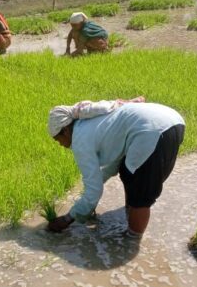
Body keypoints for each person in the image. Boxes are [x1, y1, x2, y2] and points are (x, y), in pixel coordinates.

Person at [46, 98, 185, 238]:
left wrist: (68, 219)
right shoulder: (90, 122)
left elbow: (94, 191)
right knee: (127, 171)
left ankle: (131, 239)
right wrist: (87, 201)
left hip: (153, 131)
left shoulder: (79, 139)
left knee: (140, 193)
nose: (60, 144)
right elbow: (113, 166)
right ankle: (130, 213)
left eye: (58, 139)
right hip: (173, 121)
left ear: (65, 131)